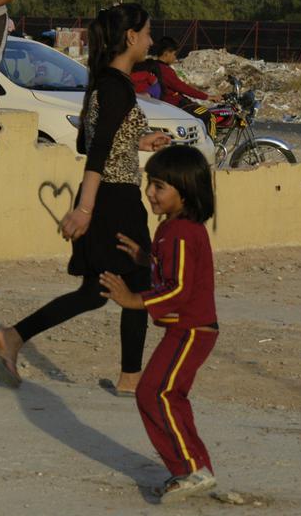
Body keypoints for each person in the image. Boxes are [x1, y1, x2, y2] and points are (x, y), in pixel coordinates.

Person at [0, 4, 170, 395]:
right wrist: (84, 209)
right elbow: (96, 151)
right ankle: (127, 377)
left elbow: (94, 140)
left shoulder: (105, 83)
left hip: (111, 198)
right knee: (131, 284)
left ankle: (19, 338)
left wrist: (138, 142)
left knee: (113, 287)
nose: (152, 40)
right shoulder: (115, 86)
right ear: (132, 37)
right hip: (115, 201)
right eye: (148, 33)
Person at [99, 145, 218, 504]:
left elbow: (179, 288)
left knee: (154, 392)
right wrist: (143, 257)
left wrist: (134, 300)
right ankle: (192, 467)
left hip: (191, 329)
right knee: (165, 394)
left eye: (160, 186)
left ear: (186, 191)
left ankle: (192, 469)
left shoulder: (181, 231)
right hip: (187, 329)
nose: (150, 192)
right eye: (150, 183)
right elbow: (170, 269)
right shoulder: (172, 229)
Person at [151, 37, 222, 137]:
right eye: (174, 54)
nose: (175, 57)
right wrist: (208, 97)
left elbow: (179, 85)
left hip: (169, 105)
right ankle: (211, 147)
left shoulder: (154, 66)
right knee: (210, 116)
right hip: (177, 105)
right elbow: (182, 88)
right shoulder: (165, 70)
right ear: (166, 53)